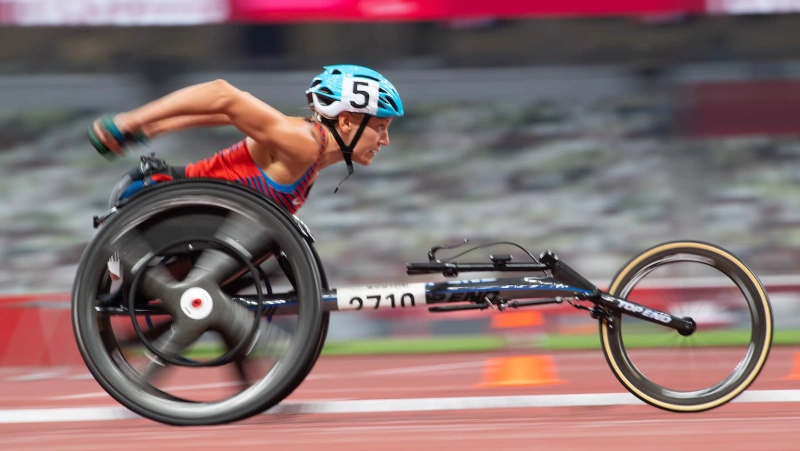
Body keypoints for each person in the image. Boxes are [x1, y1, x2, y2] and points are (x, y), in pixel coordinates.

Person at [88, 64, 404, 214]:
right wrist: (130, 121)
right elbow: (222, 94)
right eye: (380, 127)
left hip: (179, 208)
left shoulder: (310, 151)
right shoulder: (303, 143)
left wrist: (150, 131)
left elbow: (227, 116)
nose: (385, 140)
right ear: (346, 121)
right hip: (154, 197)